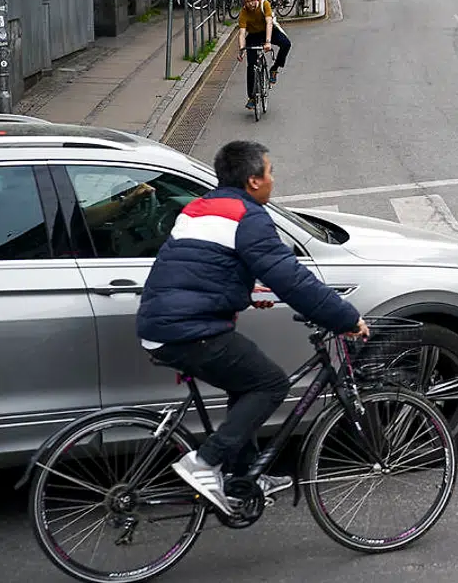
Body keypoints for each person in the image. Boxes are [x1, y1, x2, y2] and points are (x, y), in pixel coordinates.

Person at [137, 140, 368, 514]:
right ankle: (204, 462)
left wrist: (244, 291)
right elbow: (291, 277)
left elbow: (202, 268)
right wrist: (345, 317)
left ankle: (243, 476)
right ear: (253, 180)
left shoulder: (200, 208)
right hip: (189, 330)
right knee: (271, 383)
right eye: (270, 171)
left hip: (163, 324)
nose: (273, 179)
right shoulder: (249, 217)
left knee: (244, 383)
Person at [236, 0, 291, 110]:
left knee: (286, 44)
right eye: (247, 2)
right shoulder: (243, 13)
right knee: (251, 66)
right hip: (254, 36)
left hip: (268, 31)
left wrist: (268, 42)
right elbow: (242, 32)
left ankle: (274, 68)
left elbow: (269, 23)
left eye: (252, 0)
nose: (250, 4)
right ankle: (251, 97)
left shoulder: (264, 4)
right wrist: (241, 49)